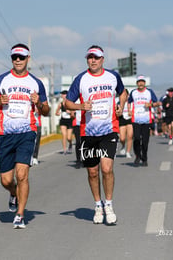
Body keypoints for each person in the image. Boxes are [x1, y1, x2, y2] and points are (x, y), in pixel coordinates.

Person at [0, 43, 50, 229]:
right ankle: (13, 194)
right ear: (11, 59)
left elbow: (46, 111)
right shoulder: (1, 80)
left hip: (26, 133)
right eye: (15, 57)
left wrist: (39, 103)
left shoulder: (35, 83)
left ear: (28, 59)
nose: (18, 60)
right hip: (5, 134)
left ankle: (20, 215)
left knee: (22, 175)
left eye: (22, 57)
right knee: (6, 180)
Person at [65, 45, 127, 225]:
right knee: (93, 172)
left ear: (102, 60)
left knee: (107, 169)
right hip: (88, 132)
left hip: (109, 129)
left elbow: (123, 92)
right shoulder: (81, 79)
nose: (93, 60)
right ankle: (97, 205)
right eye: (90, 57)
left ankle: (109, 204)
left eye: (96, 57)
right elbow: (68, 102)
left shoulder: (113, 76)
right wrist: (80, 107)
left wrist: (121, 105)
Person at [128, 75, 160, 167]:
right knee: (137, 139)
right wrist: (129, 110)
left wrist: (150, 104)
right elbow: (129, 101)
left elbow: (157, 103)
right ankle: (138, 156)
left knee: (145, 141)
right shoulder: (133, 92)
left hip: (146, 120)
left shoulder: (149, 92)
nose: (140, 83)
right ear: (137, 83)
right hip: (136, 119)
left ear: (144, 83)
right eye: (139, 82)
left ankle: (144, 158)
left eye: (142, 82)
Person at [118, 89, 133, 158]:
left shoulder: (132, 103)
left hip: (130, 119)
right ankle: (123, 145)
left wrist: (132, 113)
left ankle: (128, 152)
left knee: (130, 136)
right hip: (122, 119)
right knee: (122, 138)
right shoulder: (118, 102)